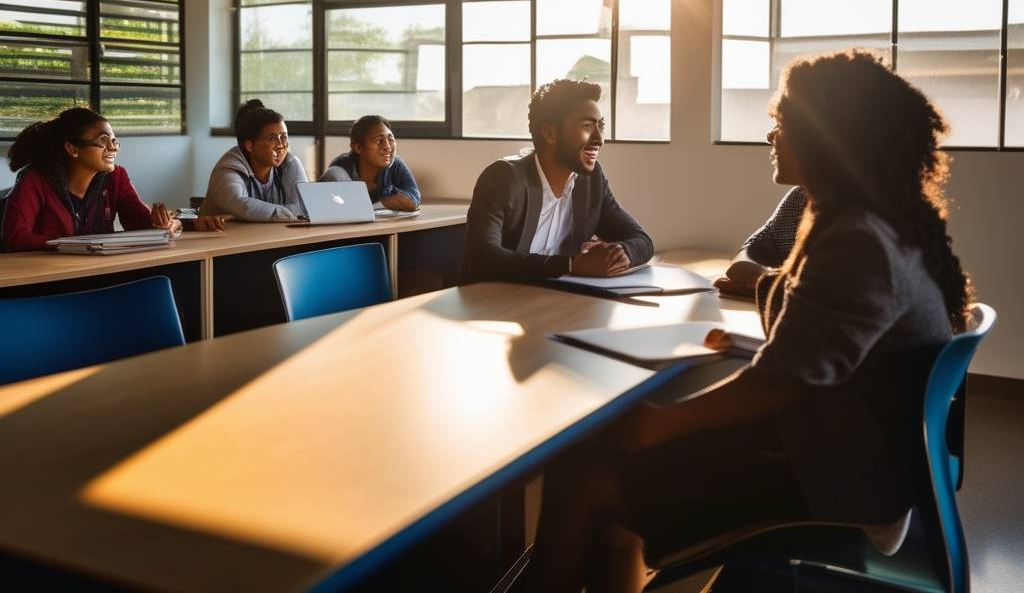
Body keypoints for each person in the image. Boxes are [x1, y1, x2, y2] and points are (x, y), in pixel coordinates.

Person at [526, 50, 973, 592]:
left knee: (584, 471)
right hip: (853, 457)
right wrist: (762, 314)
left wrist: (653, 423)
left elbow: (778, 384)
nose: (771, 137)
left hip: (833, 481)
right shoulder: (875, 222)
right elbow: (822, 345)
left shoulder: (858, 238)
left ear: (829, 137)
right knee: (603, 469)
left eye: (782, 124)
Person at [462, 78, 653, 282]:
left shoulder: (591, 181)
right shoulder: (503, 178)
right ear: (550, 133)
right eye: (587, 125)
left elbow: (641, 240)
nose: (599, 138)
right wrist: (571, 265)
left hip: (558, 301)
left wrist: (621, 252)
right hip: (492, 302)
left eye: (601, 126)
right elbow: (483, 258)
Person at [2, 107, 223, 252]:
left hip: (100, 272)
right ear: (72, 148)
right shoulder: (35, 179)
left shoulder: (116, 177)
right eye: (103, 140)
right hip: (44, 278)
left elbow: (137, 221)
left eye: (115, 141)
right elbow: (15, 237)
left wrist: (161, 224)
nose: (113, 148)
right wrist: (72, 244)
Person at [200, 99, 308, 221]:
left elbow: (304, 206)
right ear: (250, 145)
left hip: (269, 235)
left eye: (284, 137)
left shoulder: (289, 163)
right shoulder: (227, 170)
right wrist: (289, 213)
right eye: (272, 139)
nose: (280, 145)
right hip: (225, 238)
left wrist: (289, 213)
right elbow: (242, 205)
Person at [714, 186, 808, 297]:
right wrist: (748, 269)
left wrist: (766, 284)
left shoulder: (830, 205)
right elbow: (766, 238)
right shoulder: (799, 195)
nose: (773, 166)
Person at [320, 114, 420, 211]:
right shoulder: (339, 169)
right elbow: (331, 208)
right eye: (379, 141)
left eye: (390, 139)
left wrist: (373, 208)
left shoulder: (396, 164)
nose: (387, 146)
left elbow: (413, 199)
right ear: (358, 148)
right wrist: (393, 200)